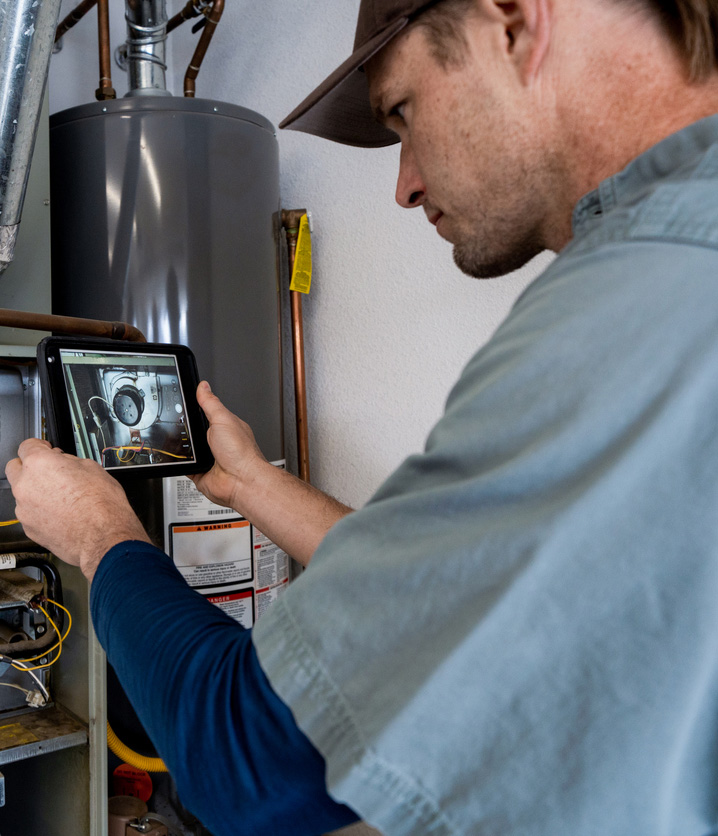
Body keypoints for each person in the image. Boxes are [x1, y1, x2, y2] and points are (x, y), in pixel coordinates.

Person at [8, 0, 718, 832]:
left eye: (402, 113)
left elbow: (250, 761)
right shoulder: (680, 272)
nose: (404, 185)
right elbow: (440, 594)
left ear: (513, 23)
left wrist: (99, 535)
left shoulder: (631, 305)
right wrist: (251, 483)